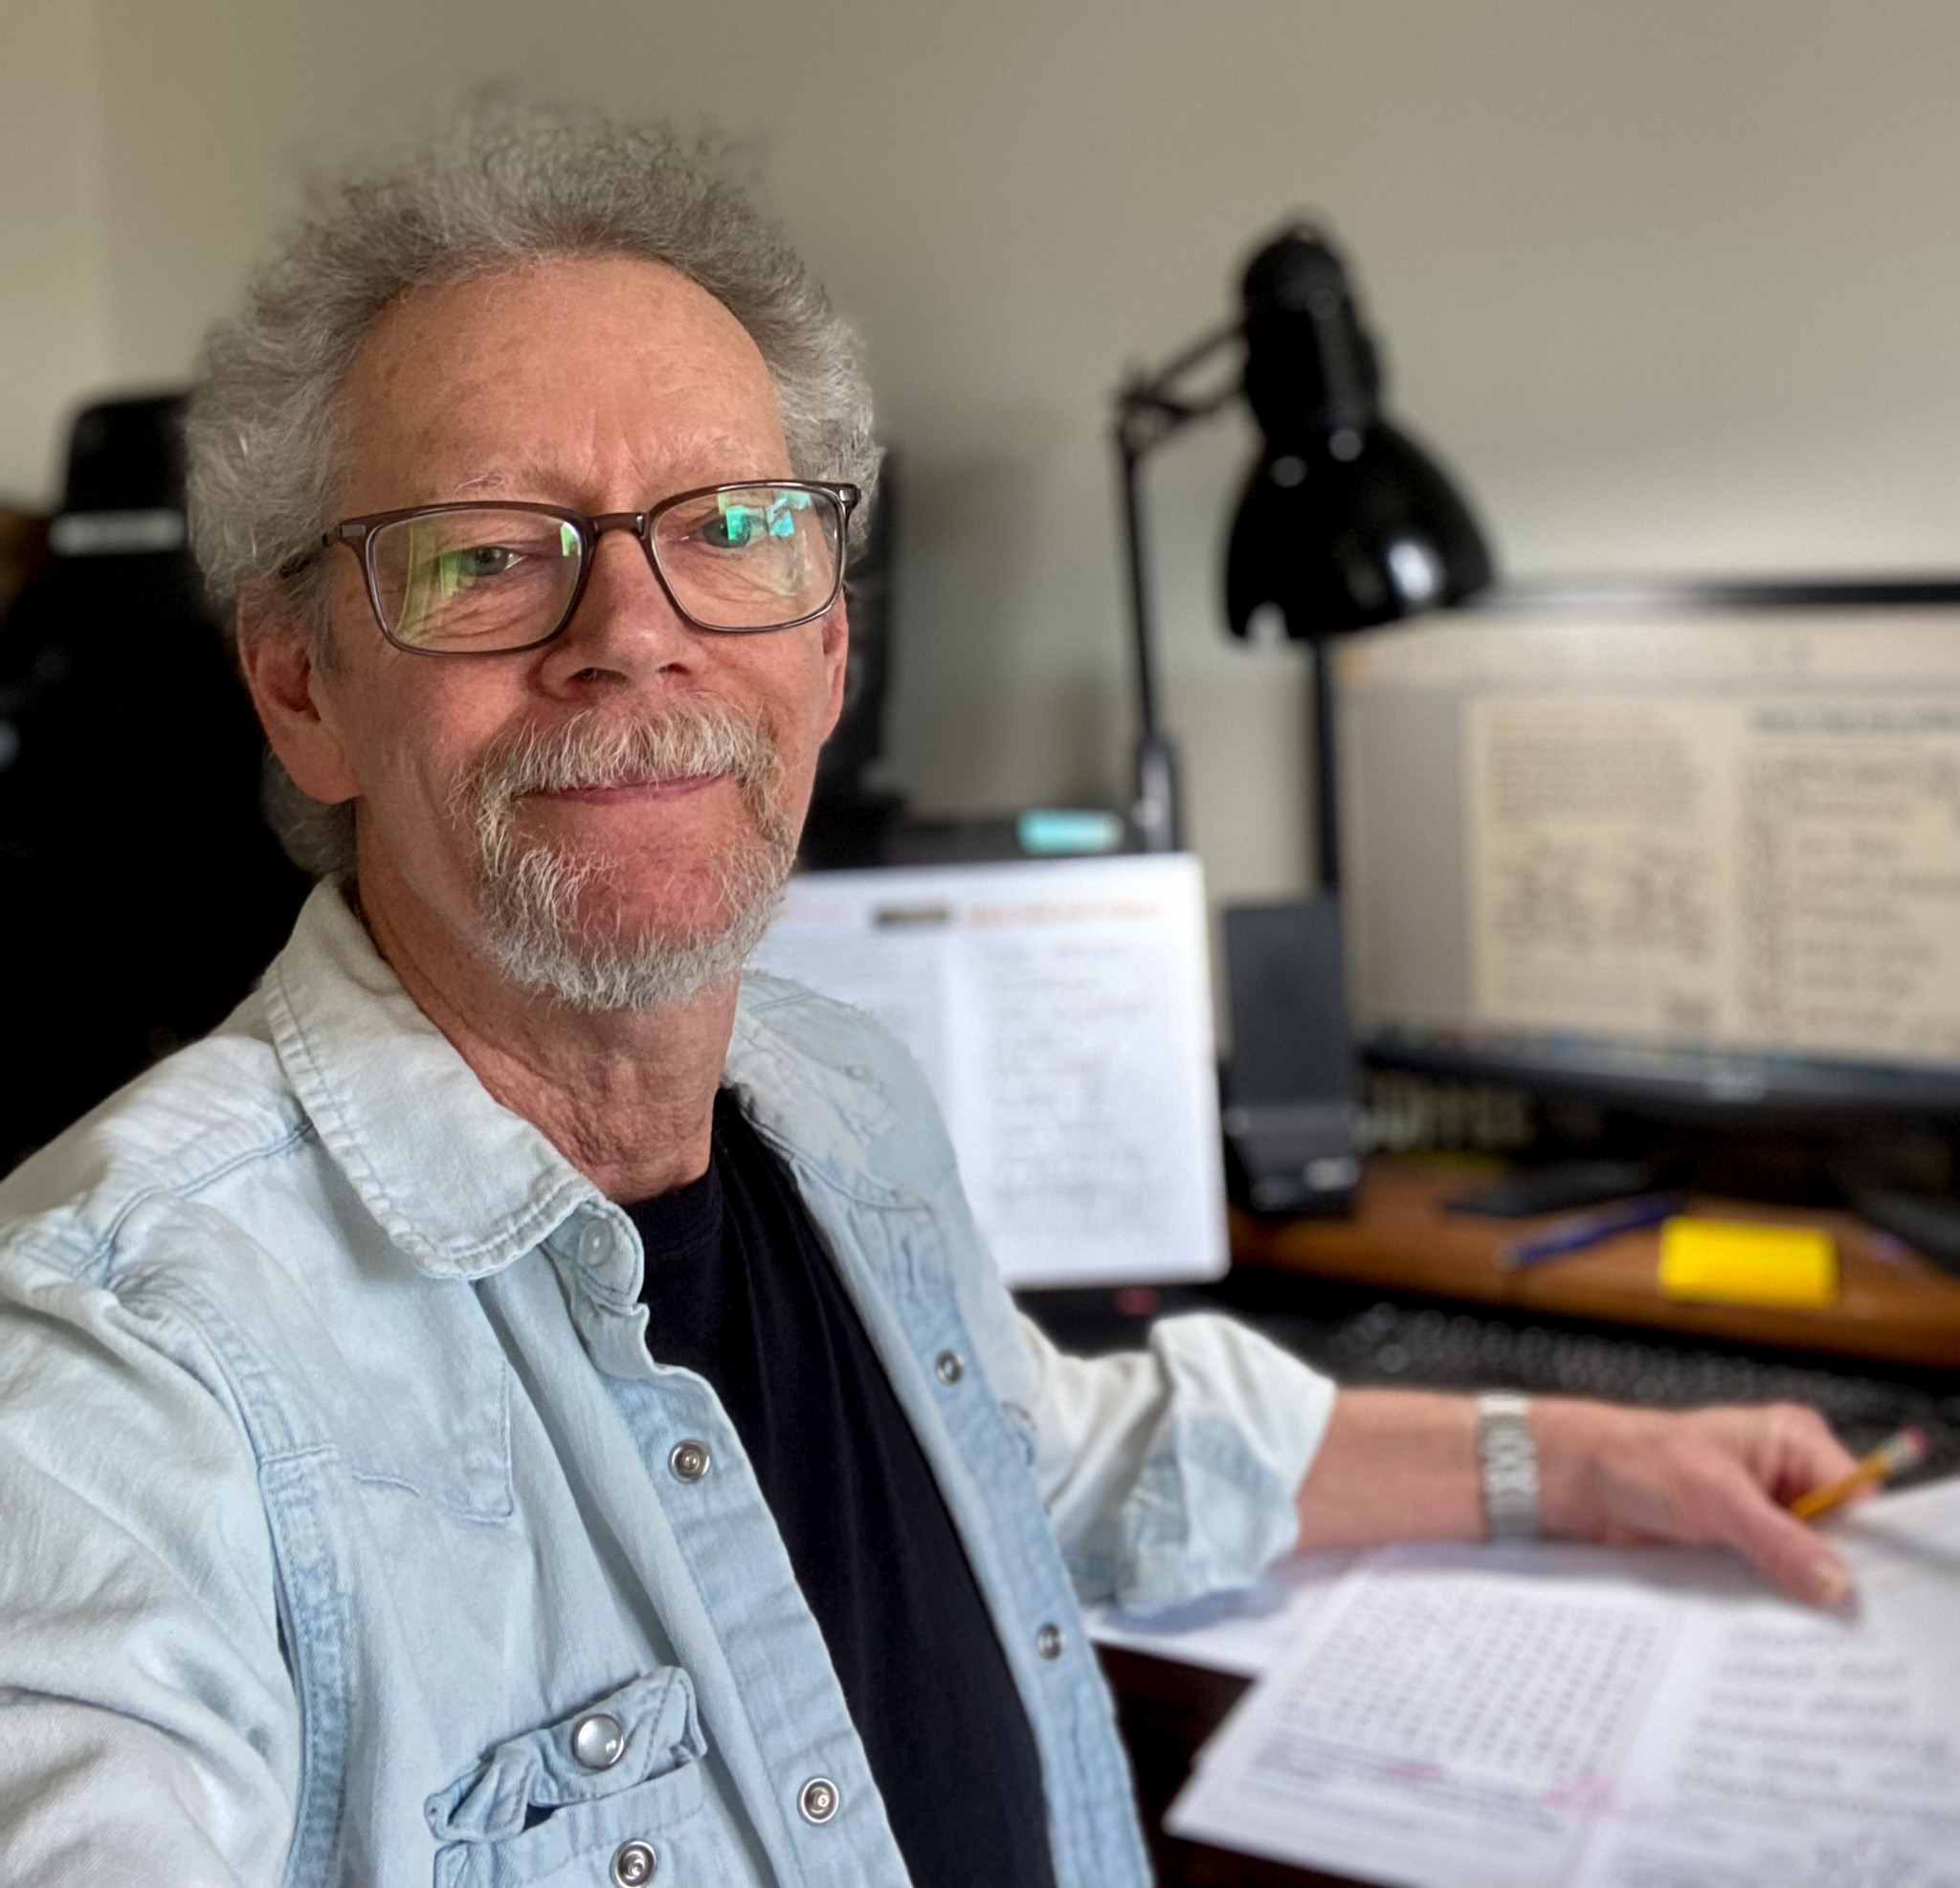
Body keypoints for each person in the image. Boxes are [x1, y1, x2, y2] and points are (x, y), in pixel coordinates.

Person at [0, 110, 1862, 1888]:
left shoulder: (837, 1094)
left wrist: (1601, 1461)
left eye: (728, 530)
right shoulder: (114, 1359)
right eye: (489, 552)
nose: (632, 631)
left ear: (826, 647)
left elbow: (1040, 1462)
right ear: (299, 685)